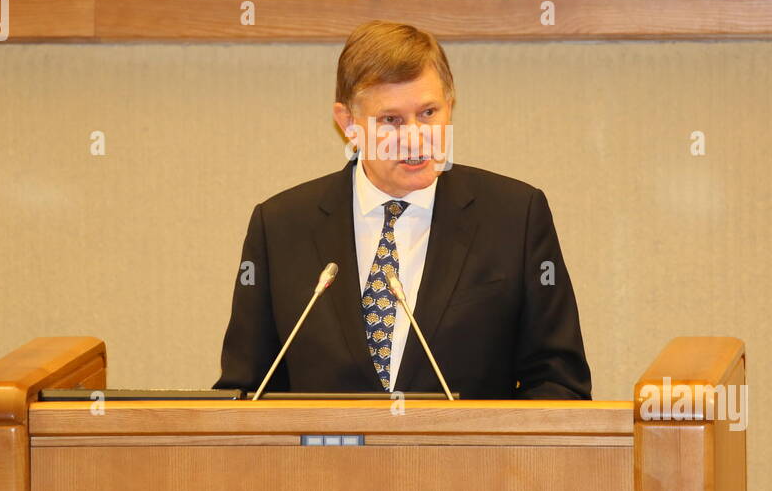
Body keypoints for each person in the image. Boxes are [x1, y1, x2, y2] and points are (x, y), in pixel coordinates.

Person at [216, 21, 593, 399]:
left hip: (469, 457)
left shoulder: (516, 216)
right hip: (324, 458)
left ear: (450, 105)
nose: (414, 136)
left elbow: (558, 383)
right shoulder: (281, 227)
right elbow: (245, 390)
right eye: (391, 120)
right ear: (348, 123)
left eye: (428, 113)